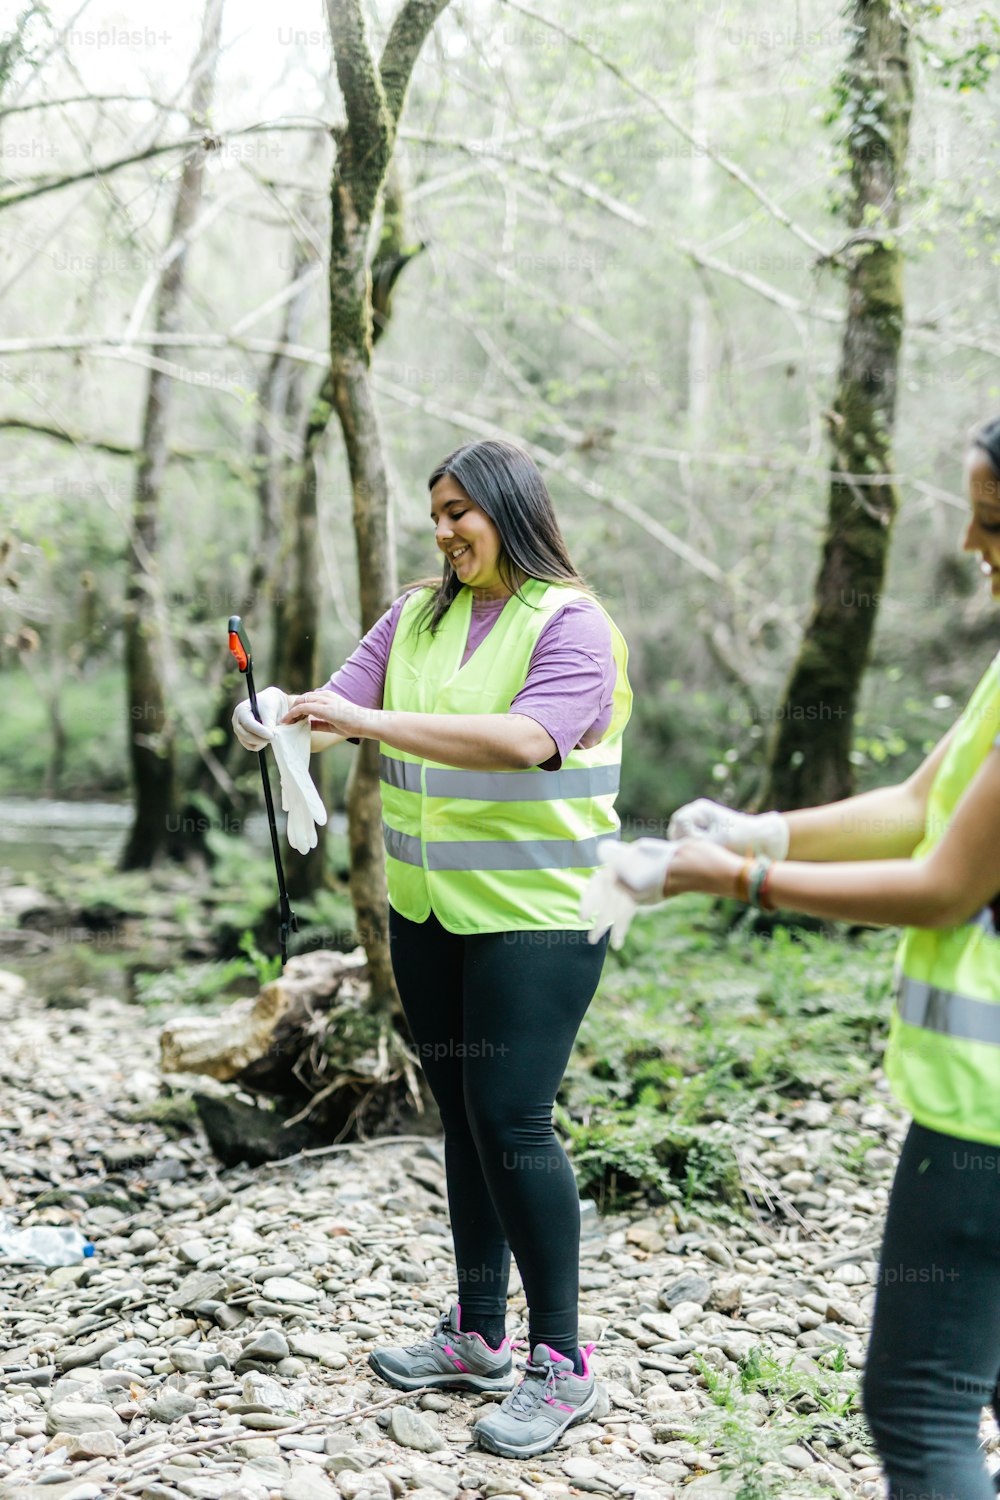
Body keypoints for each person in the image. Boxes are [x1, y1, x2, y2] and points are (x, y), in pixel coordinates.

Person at [596, 418, 1000, 1500]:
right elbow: (922, 805)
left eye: (993, 519)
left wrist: (731, 881)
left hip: (986, 1119)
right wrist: (757, 831)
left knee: (920, 1399)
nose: (969, 542)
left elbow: (945, 883)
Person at [232, 438, 632, 1459]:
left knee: (512, 1117)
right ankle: (475, 1335)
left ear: (510, 511)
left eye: (461, 512)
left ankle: (562, 1364)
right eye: (436, 514)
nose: (446, 531)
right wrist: (277, 720)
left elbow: (525, 739)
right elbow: (333, 713)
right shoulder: (415, 612)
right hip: (431, 910)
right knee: (461, 1115)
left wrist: (361, 719)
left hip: (539, 914)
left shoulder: (574, 624)